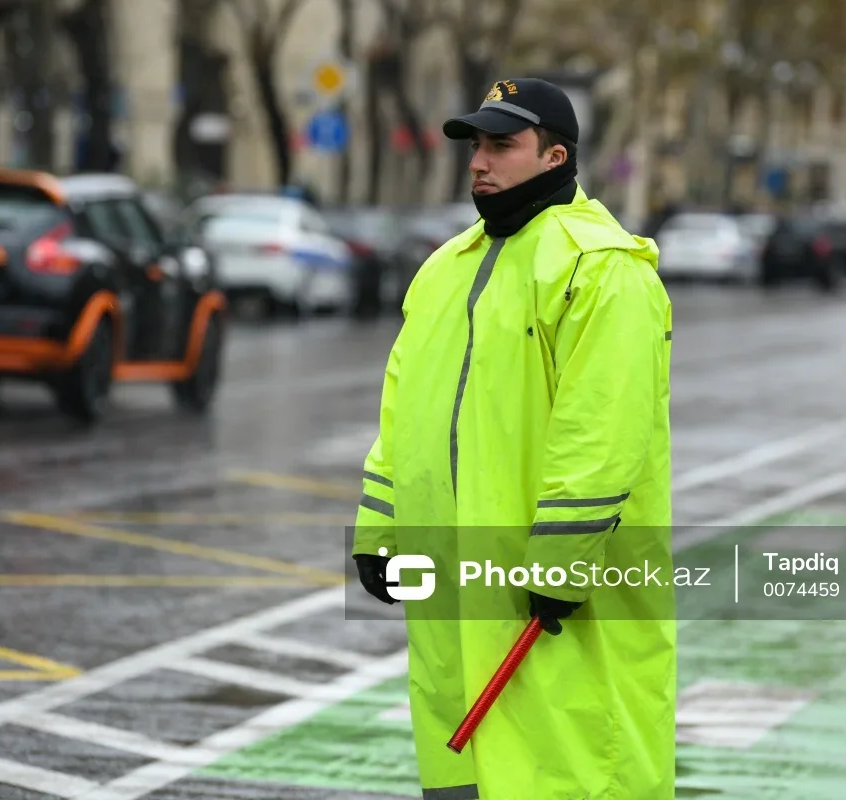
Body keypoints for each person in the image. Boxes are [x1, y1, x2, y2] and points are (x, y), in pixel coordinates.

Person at [350, 77, 675, 799]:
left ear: (556, 156)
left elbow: (603, 431)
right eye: (475, 145)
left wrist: (560, 565)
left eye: (501, 145)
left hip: (552, 595)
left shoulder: (601, 269)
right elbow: (404, 412)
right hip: (455, 590)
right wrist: (379, 529)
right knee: (463, 773)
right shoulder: (445, 269)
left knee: (571, 765)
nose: (478, 162)